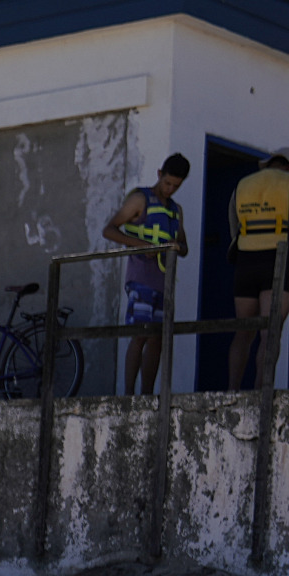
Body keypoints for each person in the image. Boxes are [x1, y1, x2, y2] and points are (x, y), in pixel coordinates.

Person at [225, 147, 289, 391]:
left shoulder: (242, 184)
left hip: (246, 260)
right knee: (270, 333)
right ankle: (261, 389)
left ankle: (231, 388)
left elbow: (233, 225)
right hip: (277, 259)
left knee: (243, 331)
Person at [100, 154, 191, 396]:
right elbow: (109, 230)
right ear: (160, 174)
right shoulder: (140, 199)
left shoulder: (176, 210)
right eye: (168, 183)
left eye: (176, 186)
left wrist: (175, 245)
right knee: (140, 334)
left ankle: (147, 396)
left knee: (157, 339)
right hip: (141, 278)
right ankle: (129, 395)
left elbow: (185, 248)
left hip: (164, 283)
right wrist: (142, 246)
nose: (170, 189)